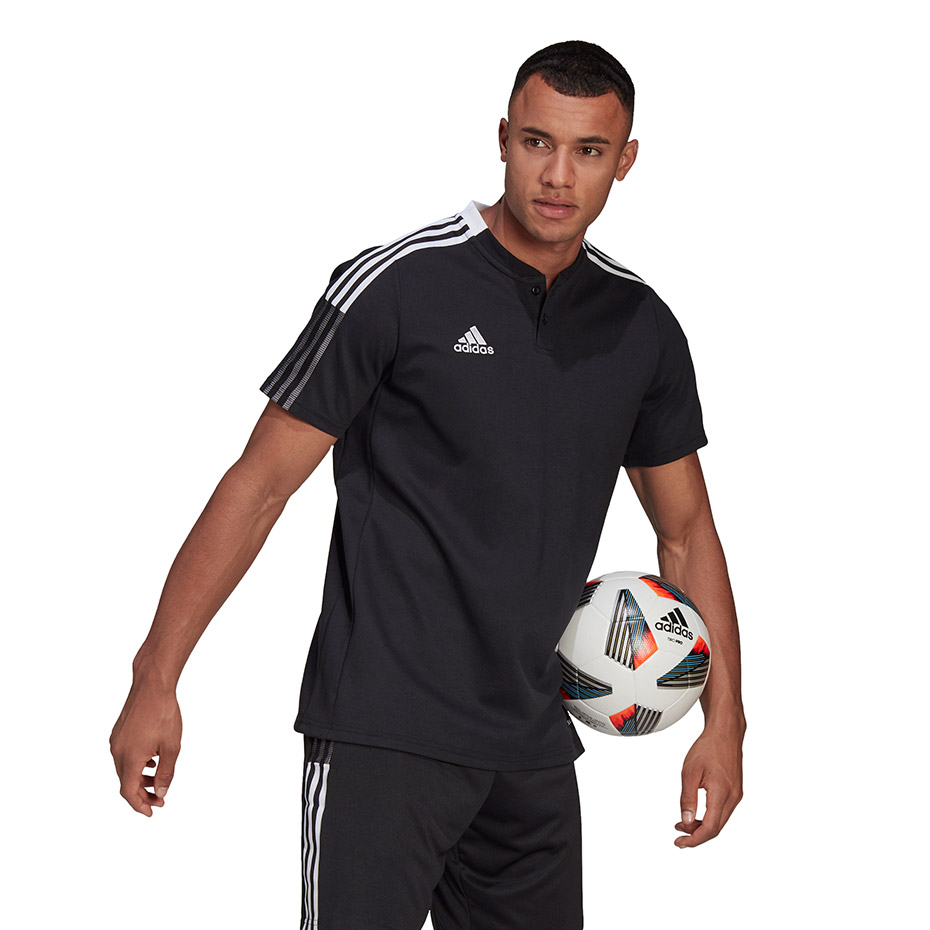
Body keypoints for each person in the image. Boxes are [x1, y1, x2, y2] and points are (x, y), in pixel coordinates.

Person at [110, 39, 745, 930]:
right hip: (383, 734)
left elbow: (686, 532)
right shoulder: (398, 285)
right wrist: (156, 675)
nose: (558, 175)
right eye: (537, 142)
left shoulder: (640, 326)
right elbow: (257, 489)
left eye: (589, 151)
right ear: (502, 138)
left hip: (533, 749)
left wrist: (725, 723)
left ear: (626, 160)